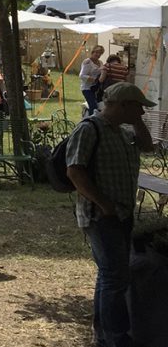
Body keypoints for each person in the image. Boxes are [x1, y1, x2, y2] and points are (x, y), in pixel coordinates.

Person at [65, 82, 156, 347]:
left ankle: (103, 334)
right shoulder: (89, 129)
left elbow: (148, 147)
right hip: (101, 216)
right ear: (122, 105)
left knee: (109, 275)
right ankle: (117, 338)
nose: (141, 112)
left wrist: (138, 123)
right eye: (138, 107)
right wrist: (104, 205)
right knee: (115, 278)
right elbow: (75, 172)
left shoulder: (122, 132)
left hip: (120, 214)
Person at [79, 45, 105, 116]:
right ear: (92, 52)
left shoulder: (100, 62)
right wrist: (93, 80)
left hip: (96, 88)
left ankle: (87, 113)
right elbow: (81, 75)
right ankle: (90, 123)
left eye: (100, 53)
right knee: (93, 106)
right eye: (96, 52)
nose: (98, 54)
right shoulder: (87, 61)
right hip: (87, 88)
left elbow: (102, 73)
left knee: (100, 106)